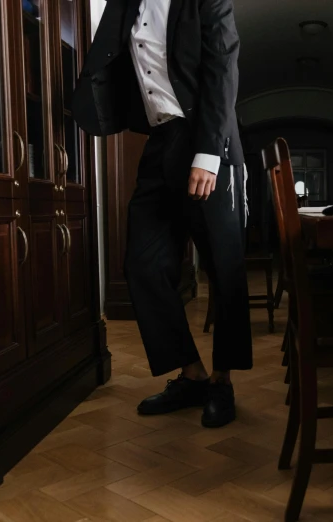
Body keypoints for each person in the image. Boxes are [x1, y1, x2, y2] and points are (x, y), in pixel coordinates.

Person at [72, 0, 252, 428]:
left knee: (222, 266)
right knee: (142, 263)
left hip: (210, 139)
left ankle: (222, 382)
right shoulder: (126, 5)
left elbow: (222, 69)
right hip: (161, 139)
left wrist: (209, 154)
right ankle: (191, 374)